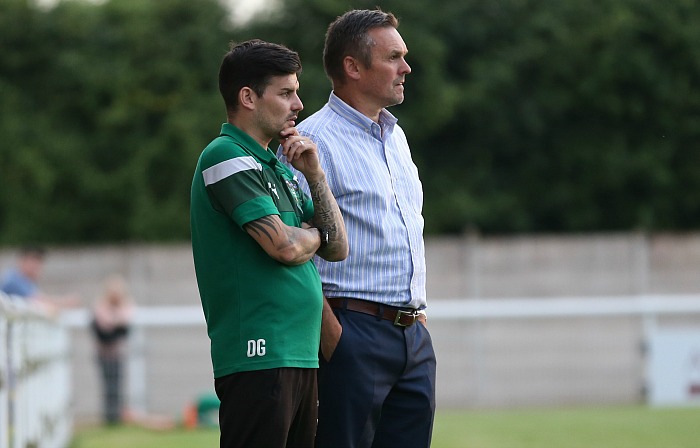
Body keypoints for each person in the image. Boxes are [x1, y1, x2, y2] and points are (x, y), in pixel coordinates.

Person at [277, 9, 437, 448]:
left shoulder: (397, 138)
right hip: (351, 334)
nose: (406, 68)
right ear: (353, 66)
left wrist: (416, 330)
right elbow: (292, 249)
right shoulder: (312, 142)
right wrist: (337, 341)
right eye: (393, 57)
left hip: (413, 338)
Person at [190, 39, 348, 448]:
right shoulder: (225, 155)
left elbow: (339, 248)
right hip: (258, 353)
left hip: (298, 352)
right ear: (247, 97)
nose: (298, 104)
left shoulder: (277, 165)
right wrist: (314, 234)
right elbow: (285, 247)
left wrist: (315, 174)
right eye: (286, 92)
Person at [91, 274, 134, 425]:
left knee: (117, 385)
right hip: (104, 353)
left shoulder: (122, 307)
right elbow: (105, 329)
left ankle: (116, 415)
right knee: (108, 386)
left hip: (116, 353)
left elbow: (122, 325)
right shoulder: (101, 307)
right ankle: (110, 416)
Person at [0, 246, 79, 313]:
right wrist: (65, 302)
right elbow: (36, 300)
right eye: (33, 261)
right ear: (22, 261)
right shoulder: (13, 279)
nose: (36, 266)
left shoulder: (26, 281)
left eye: (39, 262)